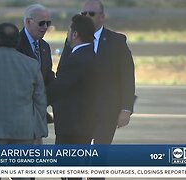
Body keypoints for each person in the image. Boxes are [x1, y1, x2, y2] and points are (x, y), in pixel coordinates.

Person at [59, 0, 136, 145]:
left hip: (106, 111)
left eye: (91, 14)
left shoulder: (117, 41)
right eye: (84, 13)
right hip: (78, 112)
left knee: (99, 155)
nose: (87, 17)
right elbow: (63, 71)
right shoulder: (74, 38)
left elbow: (127, 76)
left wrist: (126, 109)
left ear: (102, 16)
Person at [47, 14, 98, 145]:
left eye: (68, 31)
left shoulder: (77, 59)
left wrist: (37, 101)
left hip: (73, 126)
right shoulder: (89, 54)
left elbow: (61, 86)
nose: (67, 34)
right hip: (83, 124)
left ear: (75, 34)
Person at [17, 3, 55, 124]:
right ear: (28, 22)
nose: (45, 27)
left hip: (38, 112)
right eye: (41, 23)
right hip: (19, 111)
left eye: (48, 23)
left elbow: (47, 76)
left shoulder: (44, 46)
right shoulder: (15, 43)